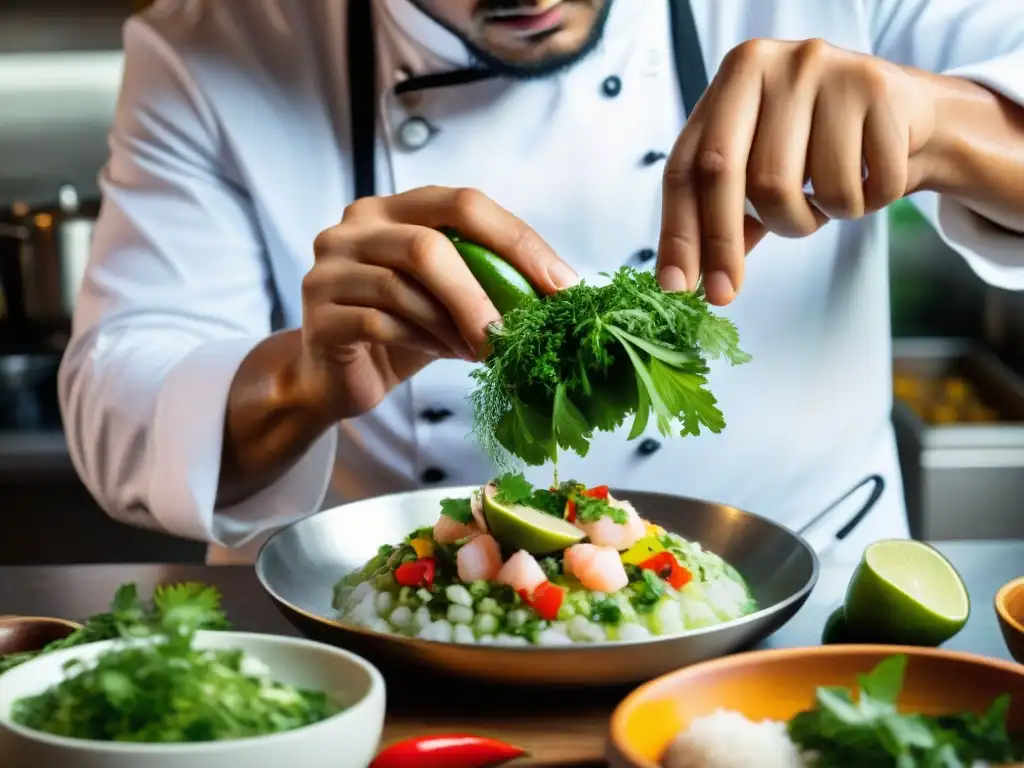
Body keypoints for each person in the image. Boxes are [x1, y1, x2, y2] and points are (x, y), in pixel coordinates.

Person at [59, 0, 1024, 565]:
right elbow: (118, 398)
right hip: (411, 654)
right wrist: (301, 382)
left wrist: (943, 123)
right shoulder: (211, 44)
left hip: (813, 613)